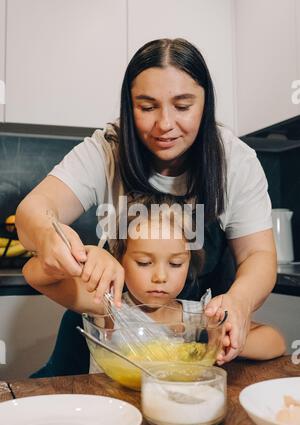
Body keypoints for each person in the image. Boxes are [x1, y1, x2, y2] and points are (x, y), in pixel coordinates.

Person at [16, 37, 277, 365]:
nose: (165, 124)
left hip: (193, 344)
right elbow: (33, 212)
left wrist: (239, 302)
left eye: (183, 106)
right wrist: (50, 236)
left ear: (205, 104)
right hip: (108, 338)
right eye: (147, 106)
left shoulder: (234, 160)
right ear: (129, 105)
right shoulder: (108, 148)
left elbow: (258, 254)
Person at [23, 193, 286, 366]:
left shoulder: (199, 316)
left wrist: (219, 340)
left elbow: (275, 341)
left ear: (190, 264)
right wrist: (87, 255)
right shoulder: (106, 307)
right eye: (144, 262)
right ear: (120, 259)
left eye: (175, 263)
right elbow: (35, 275)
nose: (160, 277)